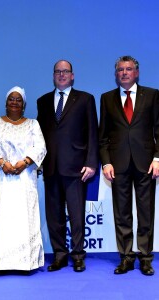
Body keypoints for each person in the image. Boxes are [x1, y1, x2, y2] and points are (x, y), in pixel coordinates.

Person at [99, 55, 159, 276]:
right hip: (118, 165)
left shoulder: (152, 96)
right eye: (120, 70)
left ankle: (145, 258)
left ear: (137, 72)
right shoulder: (106, 99)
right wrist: (106, 162)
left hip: (146, 164)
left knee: (145, 213)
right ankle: (126, 257)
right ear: (116, 74)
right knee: (122, 214)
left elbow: (158, 130)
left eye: (129, 69)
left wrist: (157, 158)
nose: (124, 73)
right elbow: (102, 136)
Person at [37, 60, 98, 272]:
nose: (62, 75)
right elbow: (39, 137)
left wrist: (91, 162)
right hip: (51, 167)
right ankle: (60, 255)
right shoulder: (42, 101)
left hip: (76, 168)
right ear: (53, 75)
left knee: (76, 215)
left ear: (72, 75)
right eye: (58, 72)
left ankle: (78, 256)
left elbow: (93, 132)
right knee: (54, 216)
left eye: (66, 72)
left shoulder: (85, 99)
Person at [0, 86, 46, 272]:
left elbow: (41, 146)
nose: (14, 102)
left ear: (23, 104)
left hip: (25, 180)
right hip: (2, 180)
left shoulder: (33, 124)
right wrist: (2, 163)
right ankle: (1, 263)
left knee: (25, 219)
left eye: (18, 99)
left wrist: (25, 162)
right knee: (2, 219)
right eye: (11, 99)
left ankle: (26, 263)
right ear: (5, 103)